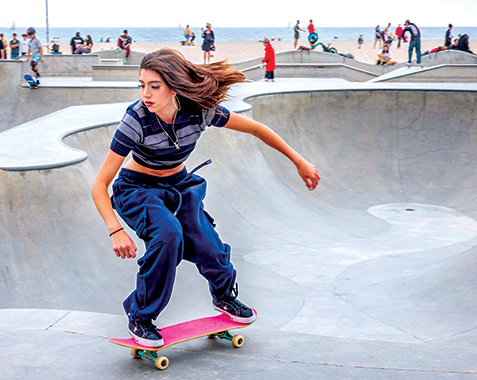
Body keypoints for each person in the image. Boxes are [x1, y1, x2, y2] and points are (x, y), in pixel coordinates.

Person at [90, 48, 320, 347]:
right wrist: (115, 229)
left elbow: (255, 128)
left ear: (174, 87)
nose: (146, 94)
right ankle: (141, 317)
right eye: (142, 85)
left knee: (208, 244)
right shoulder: (136, 119)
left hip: (181, 186)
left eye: (154, 86)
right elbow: (100, 183)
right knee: (167, 235)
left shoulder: (199, 110)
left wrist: (298, 160)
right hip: (138, 189)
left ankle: (224, 298)